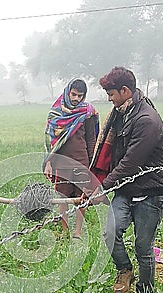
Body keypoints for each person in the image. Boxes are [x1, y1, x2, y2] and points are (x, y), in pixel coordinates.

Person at [90, 67, 163, 293]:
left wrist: (101, 188)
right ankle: (124, 270)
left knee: (143, 246)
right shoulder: (122, 113)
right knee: (110, 232)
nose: (109, 98)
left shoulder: (146, 121)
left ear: (125, 91)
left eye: (111, 93)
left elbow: (130, 163)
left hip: (151, 192)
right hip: (127, 190)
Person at [43, 78, 99, 239]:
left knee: (82, 197)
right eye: (73, 94)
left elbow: (91, 139)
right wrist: (48, 163)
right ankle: (65, 230)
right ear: (68, 92)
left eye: (80, 96)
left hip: (82, 161)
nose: (76, 99)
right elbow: (50, 142)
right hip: (61, 162)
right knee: (62, 197)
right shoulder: (55, 113)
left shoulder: (87, 113)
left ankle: (77, 232)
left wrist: (91, 164)